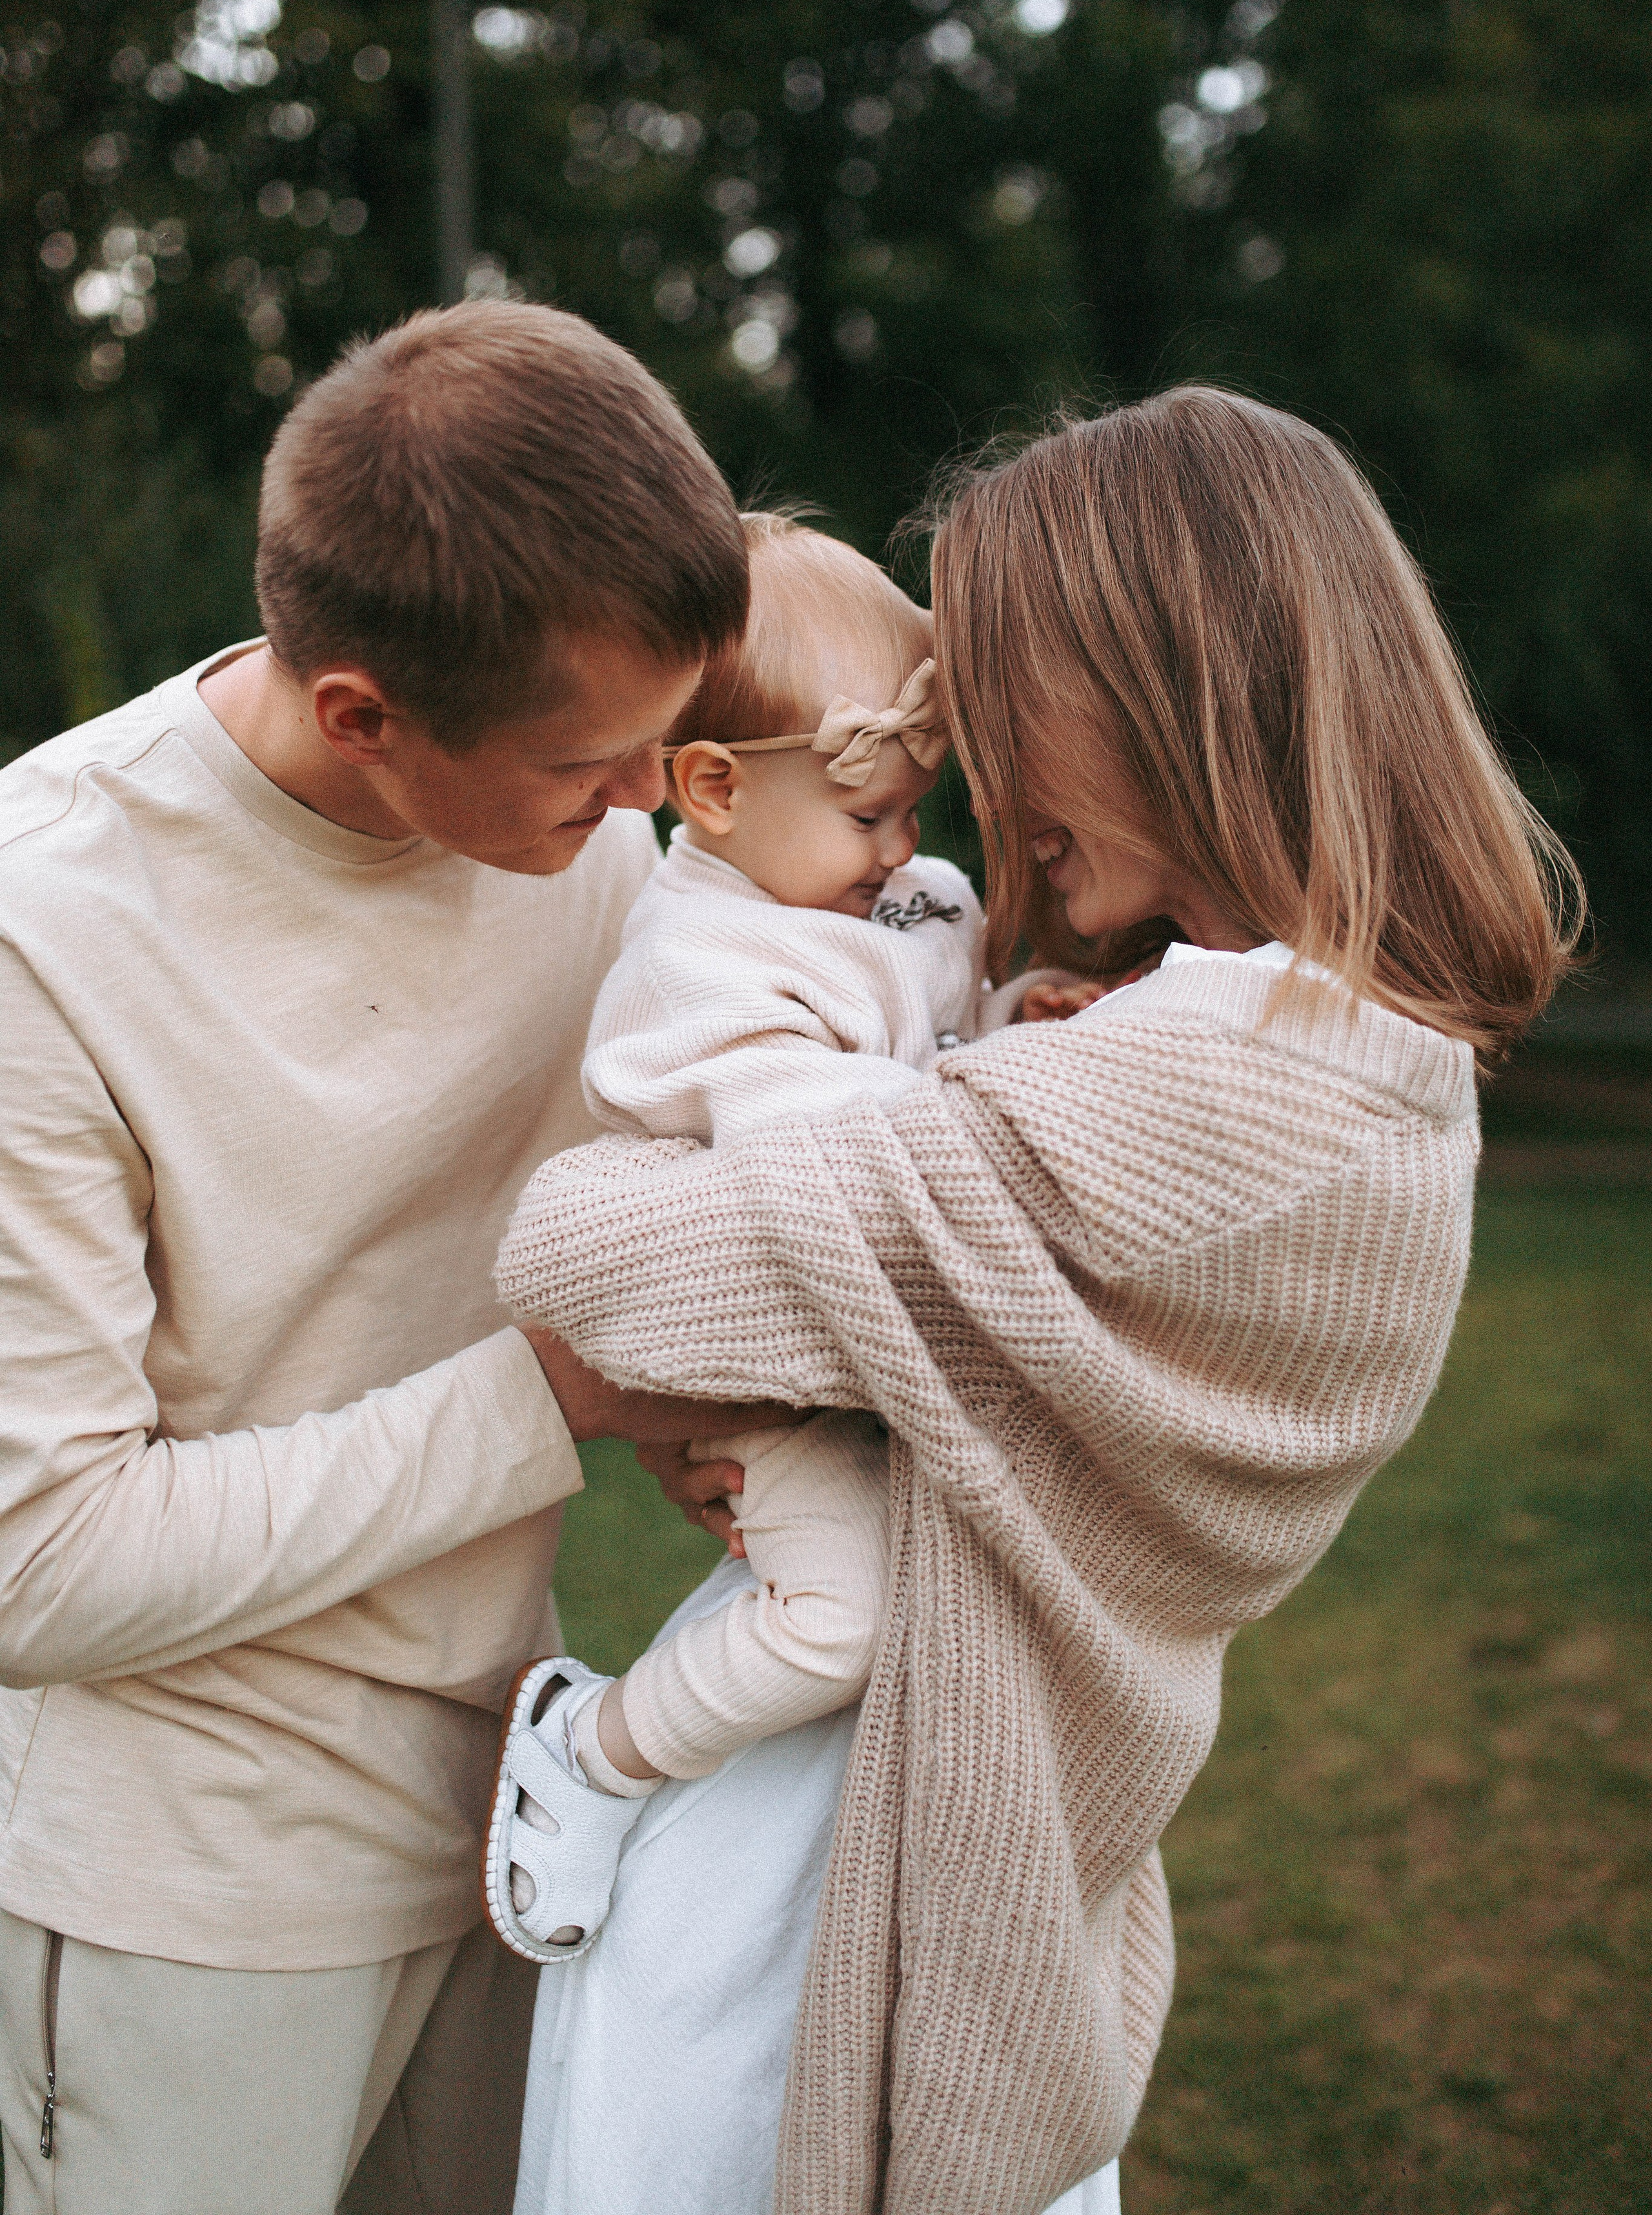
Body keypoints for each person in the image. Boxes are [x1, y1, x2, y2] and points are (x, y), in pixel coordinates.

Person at [497, 388, 1580, 2215]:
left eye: (1007, 694)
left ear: (1168, 684)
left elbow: (588, 1256)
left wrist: (710, 1223)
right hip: (945, 1853)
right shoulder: (1330, 1053)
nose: (978, 766)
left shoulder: (1228, 1076)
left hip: (837, 1886)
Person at [0, 299, 778, 2215]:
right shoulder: (47, 927)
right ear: (360, 712)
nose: (638, 813)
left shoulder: (582, 835)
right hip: (186, 1897)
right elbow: (44, 1559)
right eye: (587, 766)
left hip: (526, 1812)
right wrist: (559, 1397)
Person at [483, 516, 1094, 1966]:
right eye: (870, 816)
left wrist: (1019, 1016)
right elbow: (833, 1153)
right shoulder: (697, 962)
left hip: (867, 1344)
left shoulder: (883, 895)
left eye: (910, 812)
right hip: (769, 1359)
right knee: (842, 1621)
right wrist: (994, 1088)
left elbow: (931, 1039)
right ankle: (594, 1749)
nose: (905, 852)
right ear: (709, 790)